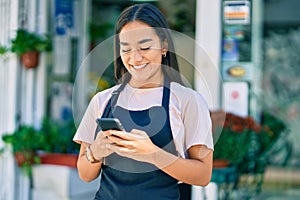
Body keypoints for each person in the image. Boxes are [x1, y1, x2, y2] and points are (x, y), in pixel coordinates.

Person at [73, 3, 213, 200]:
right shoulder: (102, 101)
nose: (135, 58)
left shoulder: (188, 100)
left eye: (145, 47)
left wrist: (152, 154)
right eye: (126, 49)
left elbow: (203, 175)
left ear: (164, 45)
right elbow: (85, 174)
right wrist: (94, 152)